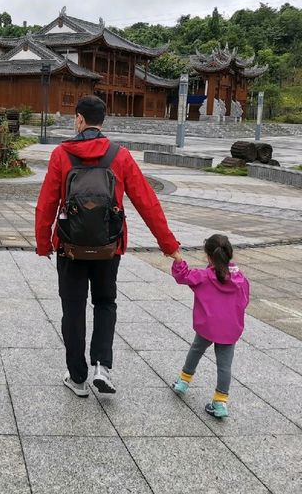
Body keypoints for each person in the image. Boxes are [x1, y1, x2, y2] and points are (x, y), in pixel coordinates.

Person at [35, 95, 179, 396]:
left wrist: (43, 243)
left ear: (78, 119)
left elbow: (47, 202)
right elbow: (147, 202)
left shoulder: (62, 154)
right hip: (108, 247)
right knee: (104, 303)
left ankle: (77, 378)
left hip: (70, 247)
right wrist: (168, 245)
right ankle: (102, 366)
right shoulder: (120, 155)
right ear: (103, 121)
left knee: (72, 309)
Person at [169, 234, 249, 418]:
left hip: (208, 326)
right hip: (230, 329)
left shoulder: (205, 276)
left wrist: (178, 258)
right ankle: (220, 402)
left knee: (196, 350)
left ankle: (183, 381)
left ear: (209, 257)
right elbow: (245, 301)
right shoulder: (241, 279)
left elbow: (183, 275)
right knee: (224, 366)